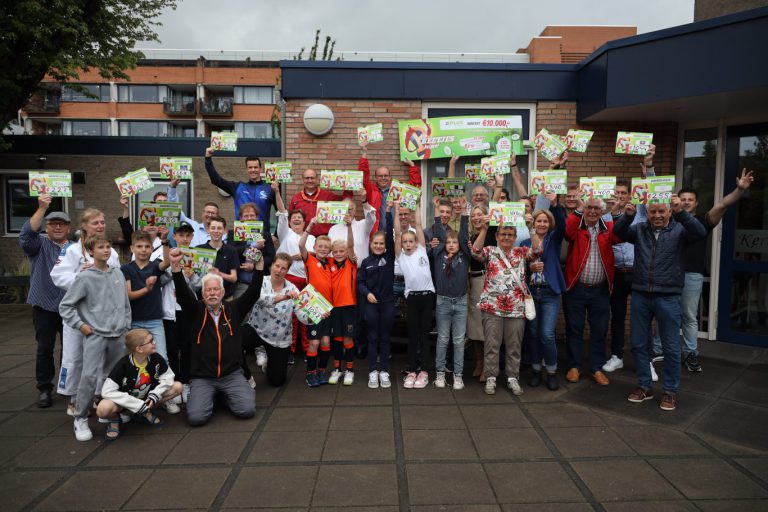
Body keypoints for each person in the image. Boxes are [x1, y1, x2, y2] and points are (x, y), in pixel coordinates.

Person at [613, 195, 707, 411]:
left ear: (669, 212)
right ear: (647, 212)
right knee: (638, 343)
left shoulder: (680, 229)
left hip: (668, 296)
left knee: (671, 346)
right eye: (652, 211)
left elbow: (700, 233)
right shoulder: (639, 229)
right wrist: (627, 216)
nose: (656, 215)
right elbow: (617, 233)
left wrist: (682, 211)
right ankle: (644, 386)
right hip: (640, 295)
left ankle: (670, 391)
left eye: (661, 211)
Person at [168, 245, 265, 426]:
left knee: (246, 410)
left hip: (231, 374)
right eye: (208, 290)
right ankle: (213, 395)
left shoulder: (234, 308)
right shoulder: (196, 310)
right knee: (196, 418)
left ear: (221, 292)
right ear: (203, 294)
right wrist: (175, 269)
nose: (212, 293)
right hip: (203, 377)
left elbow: (253, 293)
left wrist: (259, 268)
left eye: (215, 290)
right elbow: (182, 294)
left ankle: (225, 395)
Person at [674, 169, 754, 372]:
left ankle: (691, 355)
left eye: (690, 199)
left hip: (692, 274)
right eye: (683, 199)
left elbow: (723, 204)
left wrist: (739, 190)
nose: (686, 202)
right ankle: (659, 350)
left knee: (689, 317)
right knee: (666, 314)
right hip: (670, 274)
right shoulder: (669, 220)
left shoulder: (703, 220)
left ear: (696, 203)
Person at [59, 235, 132, 441]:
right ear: (90, 252)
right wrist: (81, 326)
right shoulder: (84, 277)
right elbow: (66, 306)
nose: (106, 250)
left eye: (108, 246)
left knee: (115, 376)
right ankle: (80, 417)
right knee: (89, 377)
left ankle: (110, 412)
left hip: (118, 334)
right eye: (101, 247)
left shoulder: (117, 272)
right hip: (96, 335)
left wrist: (125, 325)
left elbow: (125, 304)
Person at [51, 208, 121, 416]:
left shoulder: (111, 251)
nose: (100, 226)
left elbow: (115, 279)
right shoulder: (71, 250)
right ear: (84, 226)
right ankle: (74, 398)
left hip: (101, 315)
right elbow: (58, 275)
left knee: (100, 358)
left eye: (102, 222)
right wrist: (81, 277)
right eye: (95, 223)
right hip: (79, 315)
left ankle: (98, 395)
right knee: (74, 358)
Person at [471, 215, 542, 396]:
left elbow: (538, 250)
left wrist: (531, 227)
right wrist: (485, 229)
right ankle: (491, 377)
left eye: (510, 234)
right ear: (497, 236)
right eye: (503, 234)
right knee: (492, 345)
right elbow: (475, 251)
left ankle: (512, 377)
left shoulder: (521, 252)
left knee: (514, 346)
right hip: (492, 307)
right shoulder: (490, 251)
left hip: (516, 308)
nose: (507, 237)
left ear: (515, 236)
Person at [19, 194, 72, 408]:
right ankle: (44, 388)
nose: (57, 227)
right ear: (46, 227)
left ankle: (67, 385)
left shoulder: (75, 247)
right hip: (45, 304)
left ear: (68, 228)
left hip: (70, 306)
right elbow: (25, 235)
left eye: (62, 224)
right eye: (53, 224)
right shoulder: (38, 244)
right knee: (45, 347)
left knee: (70, 349)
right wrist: (41, 208)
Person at [563, 197, 621, 386]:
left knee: (599, 330)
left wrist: (617, 211)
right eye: (589, 208)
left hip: (600, 291)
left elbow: (620, 235)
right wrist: (578, 209)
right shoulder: (577, 228)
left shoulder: (608, 229)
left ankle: (596, 368)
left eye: (597, 208)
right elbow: (567, 231)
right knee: (574, 328)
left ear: (602, 211)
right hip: (576, 288)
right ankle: (574, 367)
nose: (593, 211)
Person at [97, 328, 183, 441]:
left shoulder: (156, 358)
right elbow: (106, 391)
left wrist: (155, 394)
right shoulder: (123, 365)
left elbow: (168, 377)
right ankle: (115, 420)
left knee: (178, 387)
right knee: (103, 409)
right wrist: (136, 404)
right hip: (125, 404)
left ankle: (145, 412)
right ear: (139, 349)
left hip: (146, 398)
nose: (154, 343)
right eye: (151, 341)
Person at [243, 253, 313, 387]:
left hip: (279, 338)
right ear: (271, 266)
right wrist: (283, 297)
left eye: (283, 268)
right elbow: (261, 299)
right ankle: (245, 375)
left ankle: (269, 364)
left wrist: (314, 316)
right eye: (277, 266)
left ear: (287, 271)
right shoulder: (261, 281)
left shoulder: (293, 289)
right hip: (256, 328)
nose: (279, 271)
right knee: (233, 342)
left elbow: (302, 316)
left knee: (277, 381)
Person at [520, 193, 566, 390]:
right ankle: (536, 369)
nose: (542, 224)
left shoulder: (554, 239)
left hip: (550, 293)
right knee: (533, 333)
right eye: (538, 220)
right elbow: (519, 268)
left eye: (545, 221)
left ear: (550, 223)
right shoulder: (524, 243)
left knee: (547, 334)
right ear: (533, 223)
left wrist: (554, 203)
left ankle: (552, 371)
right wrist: (529, 268)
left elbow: (562, 224)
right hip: (531, 293)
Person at [393, 202, 434, 389]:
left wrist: (418, 204)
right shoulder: (400, 256)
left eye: (411, 241)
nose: (408, 244)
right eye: (405, 242)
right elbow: (396, 231)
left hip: (427, 297)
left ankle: (423, 370)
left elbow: (418, 225)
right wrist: (395, 208)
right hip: (412, 298)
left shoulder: (422, 250)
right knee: (412, 334)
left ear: (416, 242)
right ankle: (411, 370)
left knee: (424, 334)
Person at [432, 198, 471, 390]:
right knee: (443, 339)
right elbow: (439, 230)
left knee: (458, 340)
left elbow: (464, 236)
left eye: (455, 242)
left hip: (461, 302)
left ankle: (458, 375)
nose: (452, 244)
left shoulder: (464, 256)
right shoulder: (438, 254)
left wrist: (464, 212)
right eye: (449, 242)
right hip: (443, 303)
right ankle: (440, 374)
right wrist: (437, 209)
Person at [274, 182, 315, 360]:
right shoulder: (286, 233)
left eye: (300, 218)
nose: (296, 220)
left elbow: (319, 254)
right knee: (290, 315)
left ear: (305, 221)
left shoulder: (312, 237)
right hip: (289, 279)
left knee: (306, 315)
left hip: (307, 281)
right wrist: (276, 191)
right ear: (290, 222)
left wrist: (306, 253)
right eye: (294, 218)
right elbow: (282, 213)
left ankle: (306, 349)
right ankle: (290, 350)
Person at [357, 206, 396, 389]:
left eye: (381, 243)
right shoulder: (366, 262)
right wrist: (367, 293)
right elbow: (360, 283)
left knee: (385, 338)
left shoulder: (389, 257)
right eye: (375, 243)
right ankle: (373, 371)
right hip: (371, 305)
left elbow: (389, 234)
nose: (379, 246)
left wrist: (388, 213)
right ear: (370, 245)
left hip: (388, 304)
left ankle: (384, 371)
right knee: (372, 338)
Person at [122, 231, 171, 362]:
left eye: (147, 246)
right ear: (132, 248)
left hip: (155, 320)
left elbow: (167, 262)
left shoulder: (154, 266)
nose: (143, 250)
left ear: (152, 248)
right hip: (134, 320)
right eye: (139, 246)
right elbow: (129, 295)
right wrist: (147, 289)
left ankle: (162, 382)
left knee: (161, 357)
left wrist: (165, 240)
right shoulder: (126, 268)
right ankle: (138, 382)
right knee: (136, 358)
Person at [298, 223, 335, 387]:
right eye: (320, 246)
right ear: (314, 247)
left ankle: (321, 371)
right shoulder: (310, 259)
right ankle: (310, 374)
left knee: (326, 342)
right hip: (314, 305)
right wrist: (311, 225)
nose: (323, 249)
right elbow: (300, 244)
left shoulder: (331, 264)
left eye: (326, 247)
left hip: (328, 308)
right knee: (314, 342)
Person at [360, 142, 421, 232]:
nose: (383, 178)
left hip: (397, 234)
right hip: (378, 235)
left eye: (386, 175)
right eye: (380, 176)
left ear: (389, 177)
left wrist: (412, 166)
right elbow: (363, 176)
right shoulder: (372, 191)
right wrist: (364, 154)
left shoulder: (396, 190)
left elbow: (415, 187)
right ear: (376, 178)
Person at [327, 215, 357, 385]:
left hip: (349, 306)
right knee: (337, 339)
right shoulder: (329, 262)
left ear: (346, 252)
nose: (338, 254)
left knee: (347, 339)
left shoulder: (351, 262)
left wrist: (349, 225)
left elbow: (351, 245)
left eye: (342, 251)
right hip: (334, 307)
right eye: (336, 251)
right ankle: (337, 369)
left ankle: (350, 370)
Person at [204, 149, 275, 222]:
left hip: (263, 232)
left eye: (255, 167)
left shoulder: (269, 189)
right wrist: (208, 159)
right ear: (246, 170)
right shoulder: (238, 187)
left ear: (261, 169)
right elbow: (216, 180)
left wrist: (276, 232)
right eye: (250, 167)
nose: (253, 170)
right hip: (241, 232)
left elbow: (280, 212)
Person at [467, 204, 495, 381]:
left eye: (480, 214)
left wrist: (486, 228)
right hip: (471, 280)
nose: (476, 218)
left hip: (485, 280)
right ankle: (479, 362)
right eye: (473, 215)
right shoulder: (470, 235)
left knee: (486, 326)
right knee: (474, 325)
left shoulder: (491, 233)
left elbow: (477, 253)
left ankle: (488, 366)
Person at [228, 202, 275, 298]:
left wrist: (254, 265)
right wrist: (253, 245)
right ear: (240, 218)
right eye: (246, 216)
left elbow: (271, 257)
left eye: (252, 215)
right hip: (241, 284)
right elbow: (231, 252)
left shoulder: (265, 235)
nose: (249, 218)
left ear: (257, 217)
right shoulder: (233, 233)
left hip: (261, 283)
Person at [289, 168, 350, 236]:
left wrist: (349, 188)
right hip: (304, 237)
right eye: (307, 178)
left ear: (317, 179)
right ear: (302, 180)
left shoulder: (327, 195)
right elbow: (290, 219)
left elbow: (345, 203)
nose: (310, 180)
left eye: (312, 178)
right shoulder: (296, 198)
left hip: (324, 237)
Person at [166, 181, 222, 247]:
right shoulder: (193, 226)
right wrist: (172, 188)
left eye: (213, 213)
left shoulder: (222, 233)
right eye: (207, 212)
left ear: (218, 215)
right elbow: (175, 210)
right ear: (202, 213)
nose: (210, 215)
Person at [194, 215, 239, 298]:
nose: (216, 231)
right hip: (203, 297)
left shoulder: (231, 250)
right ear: (208, 230)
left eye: (219, 228)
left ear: (224, 231)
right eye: (213, 228)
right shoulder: (199, 249)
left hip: (225, 298)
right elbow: (194, 275)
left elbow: (234, 278)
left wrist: (219, 273)